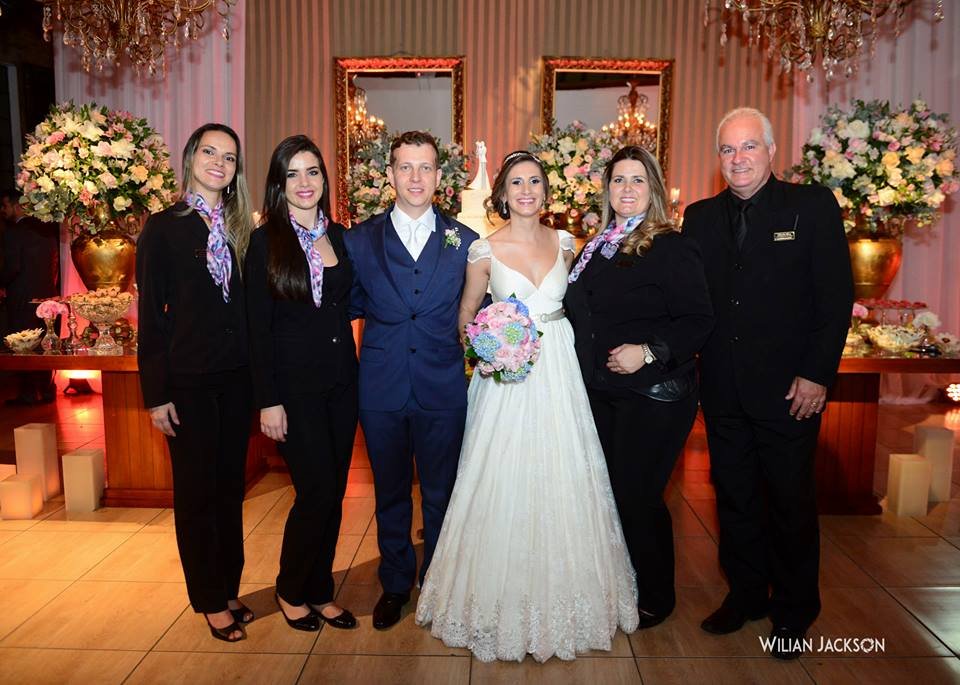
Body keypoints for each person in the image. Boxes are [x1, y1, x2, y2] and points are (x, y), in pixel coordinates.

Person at [415, 150, 639, 662]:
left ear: (545, 190)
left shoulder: (566, 243)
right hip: (506, 381)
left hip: (559, 370)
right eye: (516, 183)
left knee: (564, 473)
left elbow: (582, 307)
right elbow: (467, 314)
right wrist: (487, 349)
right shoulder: (483, 250)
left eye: (534, 181)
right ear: (502, 194)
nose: (526, 191)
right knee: (502, 476)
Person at [682, 107, 853, 659]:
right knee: (734, 498)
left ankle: (795, 610)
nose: (738, 159)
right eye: (728, 149)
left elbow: (835, 299)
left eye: (749, 146)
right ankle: (746, 594)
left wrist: (817, 374)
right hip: (723, 389)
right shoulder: (699, 217)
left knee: (789, 501)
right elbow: (692, 301)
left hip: (790, 391)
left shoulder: (811, 206)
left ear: (772, 151)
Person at [565, 145, 714, 629]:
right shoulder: (598, 246)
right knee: (611, 494)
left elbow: (698, 320)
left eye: (637, 180)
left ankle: (656, 595)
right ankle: (623, 583)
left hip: (654, 394)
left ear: (653, 189)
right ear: (606, 189)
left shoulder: (671, 245)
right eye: (618, 180)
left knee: (637, 495)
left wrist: (647, 351)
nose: (626, 189)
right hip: (603, 392)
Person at [344, 131, 479, 630]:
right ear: (390, 174)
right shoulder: (359, 239)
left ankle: (438, 583)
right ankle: (396, 583)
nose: (416, 177)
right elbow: (345, 305)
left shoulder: (466, 241)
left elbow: (481, 312)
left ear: (439, 176)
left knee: (442, 493)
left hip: (443, 388)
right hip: (381, 388)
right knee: (391, 494)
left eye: (425, 167)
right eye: (405, 167)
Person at [136, 123, 256, 643]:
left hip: (237, 380)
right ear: (190, 159)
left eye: (228, 157)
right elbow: (151, 318)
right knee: (196, 495)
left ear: (236, 170)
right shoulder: (163, 228)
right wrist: (156, 394)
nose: (218, 163)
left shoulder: (242, 228)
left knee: (230, 491)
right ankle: (208, 599)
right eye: (210, 152)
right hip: (187, 383)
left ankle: (228, 588)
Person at [245, 135, 358, 632]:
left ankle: (319, 590)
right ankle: (291, 589)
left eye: (312, 171)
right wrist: (268, 401)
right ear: (279, 183)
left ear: (324, 180)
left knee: (334, 493)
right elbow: (257, 329)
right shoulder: (264, 241)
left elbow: (345, 305)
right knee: (315, 492)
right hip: (294, 392)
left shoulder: (339, 237)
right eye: (292, 174)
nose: (304, 182)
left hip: (342, 385)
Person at [0, 188, 60, 404]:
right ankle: (47, 390)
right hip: (47, 297)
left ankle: (28, 393)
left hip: (21, 297)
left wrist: (1, 283)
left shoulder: (13, 233)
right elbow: (54, 264)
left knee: (22, 344)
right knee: (45, 344)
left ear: (17, 206)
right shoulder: (46, 230)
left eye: (5, 205)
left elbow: (13, 267)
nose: (2, 210)